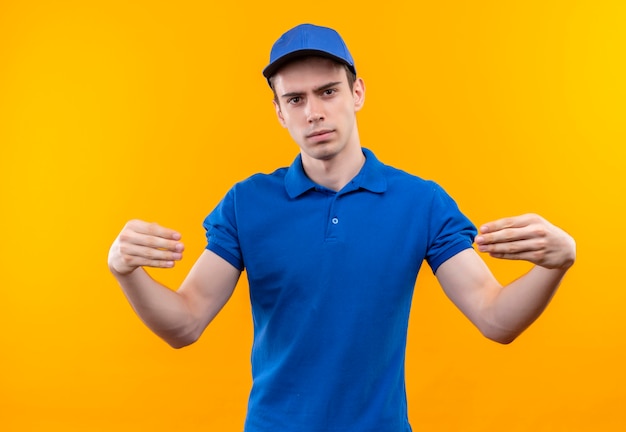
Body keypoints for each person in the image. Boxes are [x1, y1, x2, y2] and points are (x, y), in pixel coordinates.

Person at [108, 23, 576, 432]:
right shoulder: (246, 204)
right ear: (279, 112)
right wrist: (126, 272)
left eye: (328, 91)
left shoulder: (421, 202)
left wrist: (557, 263)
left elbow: (495, 318)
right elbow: (185, 323)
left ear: (357, 93)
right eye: (295, 99)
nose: (313, 112)